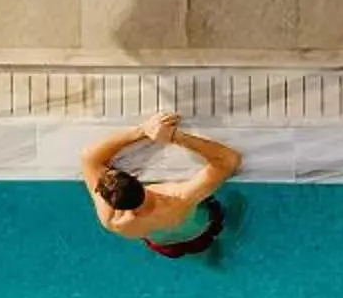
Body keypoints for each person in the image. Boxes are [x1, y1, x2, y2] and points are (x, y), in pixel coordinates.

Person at [80, 111, 240, 259]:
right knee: (215, 222)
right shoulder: (179, 197)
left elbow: (90, 159)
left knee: (182, 250)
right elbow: (228, 161)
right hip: (200, 232)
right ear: (136, 178)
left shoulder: (113, 221)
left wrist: (142, 131)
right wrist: (171, 136)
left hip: (163, 245)